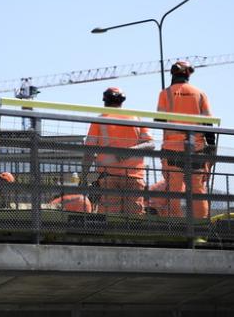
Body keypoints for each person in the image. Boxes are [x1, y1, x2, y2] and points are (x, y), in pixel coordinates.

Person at [78, 87, 154, 215]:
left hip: (108, 177)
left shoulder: (100, 120)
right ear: (122, 101)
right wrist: (131, 150)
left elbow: (89, 152)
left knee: (109, 218)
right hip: (133, 177)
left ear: (105, 101)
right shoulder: (136, 118)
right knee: (133, 219)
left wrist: (84, 177)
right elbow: (151, 144)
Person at [156, 61, 215, 219]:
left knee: (173, 190)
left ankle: (174, 225)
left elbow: (159, 121)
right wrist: (212, 148)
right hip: (196, 149)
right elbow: (209, 124)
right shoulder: (200, 94)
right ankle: (200, 226)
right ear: (188, 74)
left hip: (172, 150)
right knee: (197, 190)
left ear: (173, 74)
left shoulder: (165, 93)